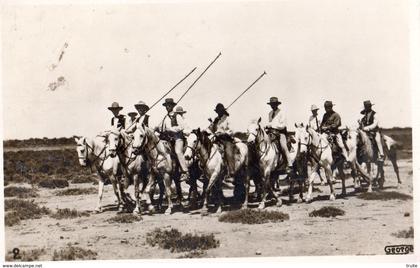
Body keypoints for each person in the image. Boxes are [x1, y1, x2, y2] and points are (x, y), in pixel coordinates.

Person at [160, 98, 189, 181]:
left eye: (169, 105)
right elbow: (162, 128)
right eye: (166, 106)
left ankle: (185, 172)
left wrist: (171, 129)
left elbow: (182, 127)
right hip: (168, 139)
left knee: (178, 151)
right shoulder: (165, 118)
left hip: (178, 138)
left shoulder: (178, 116)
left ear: (172, 106)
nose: (167, 107)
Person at [265, 97, 293, 173]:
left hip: (280, 133)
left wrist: (273, 126)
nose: (272, 106)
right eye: (271, 104)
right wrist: (267, 126)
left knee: (283, 146)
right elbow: (270, 122)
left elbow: (283, 125)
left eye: (274, 104)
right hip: (271, 133)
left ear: (277, 104)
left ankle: (289, 165)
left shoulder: (281, 112)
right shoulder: (270, 113)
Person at [207, 103, 235, 177]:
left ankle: (231, 170)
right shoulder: (216, 120)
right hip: (217, 139)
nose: (218, 112)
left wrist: (223, 133)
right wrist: (212, 123)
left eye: (220, 111)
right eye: (217, 111)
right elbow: (211, 129)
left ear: (223, 111)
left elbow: (231, 130)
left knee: (228, 151)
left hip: (226, 139)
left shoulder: (227, 119)